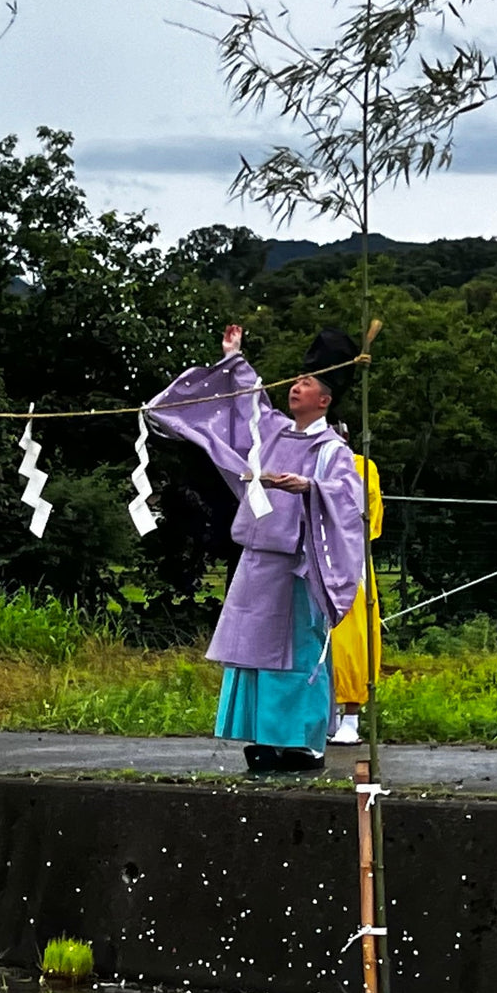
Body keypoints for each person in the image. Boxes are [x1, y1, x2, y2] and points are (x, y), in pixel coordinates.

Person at [147, 325, 364, 772]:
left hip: (299, 565)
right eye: (297, 382)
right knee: (256, 652)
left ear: (325, 399)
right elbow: (249, 405)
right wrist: (234, 357)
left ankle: (302, 743)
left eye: (306, 384)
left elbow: (347, 500)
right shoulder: (275, 433)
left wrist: (309, 486)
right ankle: (265, 738)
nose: (296, 388)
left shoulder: (331, 449)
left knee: (298, 654)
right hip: (258, 560)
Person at [329, 434, 384, 746]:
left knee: (352, 637)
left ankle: (350, 716)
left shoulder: (361, 467)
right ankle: (328, 715)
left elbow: (365, 514)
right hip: (311, 559)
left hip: (348, 558)